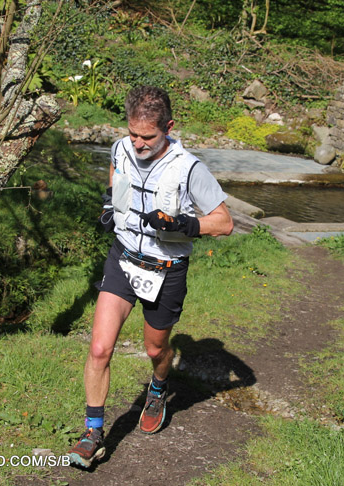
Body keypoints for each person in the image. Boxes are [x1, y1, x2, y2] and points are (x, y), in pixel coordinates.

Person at [68, 85, 233, 468]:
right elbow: (115, 175)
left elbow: (224, 223)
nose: (138, 144)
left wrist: (183, 224)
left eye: (148, 136)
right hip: (123, 259)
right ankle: (93, 433)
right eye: (133, 134)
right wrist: (109, 204)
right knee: (99, 348)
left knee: (156, 350)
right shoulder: (120, 148)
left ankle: (158, 387)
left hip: (165, 269)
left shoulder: (189, 168)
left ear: (169, 127)